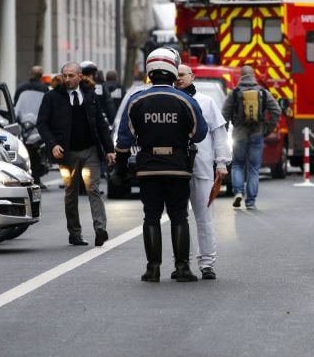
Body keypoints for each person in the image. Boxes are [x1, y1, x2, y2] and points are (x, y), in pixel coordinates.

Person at [114, 47, 208, 282]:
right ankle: (183, 268)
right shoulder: (185, 99)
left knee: (151, 217)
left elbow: (124, 139)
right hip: (178, 166)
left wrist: (122, 165)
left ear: (150, 71)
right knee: (179, 217)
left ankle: (153, 269)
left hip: (148, 167)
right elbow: (200, 134)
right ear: (173, 70)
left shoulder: (136, 100)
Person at [37, 62, 115, 247]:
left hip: (90, 151)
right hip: (67, 153)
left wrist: (109, 149)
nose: (67, 79)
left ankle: (100, 229)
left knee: (93, 188)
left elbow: (101, 124)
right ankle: (75, 233)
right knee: (71, 192)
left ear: (80, 76)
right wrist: (53, 144)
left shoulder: (90, 95)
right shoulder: (52, 97)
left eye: (71, 75)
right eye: (65, 75)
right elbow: (42, 123)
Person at [174, 64, 231, 280]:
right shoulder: (169, 100)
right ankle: (182, 262)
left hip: (202, 166)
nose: (179, 78)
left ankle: (207, 262)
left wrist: (222, 162)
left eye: (182, 75)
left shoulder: (206, 102)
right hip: (175, 167)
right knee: (179, 218)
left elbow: (219, 133)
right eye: (176, 75)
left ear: (192, 76)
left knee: (204, 217)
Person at [222, 65, 281, 212]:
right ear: (253, 75)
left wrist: (225, 131)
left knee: (237, 165)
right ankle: (250, 202)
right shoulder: (263, 92)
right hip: (257, 133)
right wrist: (267, 129)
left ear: (241, 76)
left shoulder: (234, 93)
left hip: (239, 134)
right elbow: (276, 111)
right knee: (254, 169)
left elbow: (224, 115)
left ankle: (238, 192)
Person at [80, 61, 116, 125]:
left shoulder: (101, 87)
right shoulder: (101, 86)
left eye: (92, 74)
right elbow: (109, 105)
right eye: (88, 74)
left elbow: (109, 104)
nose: (91, 76)